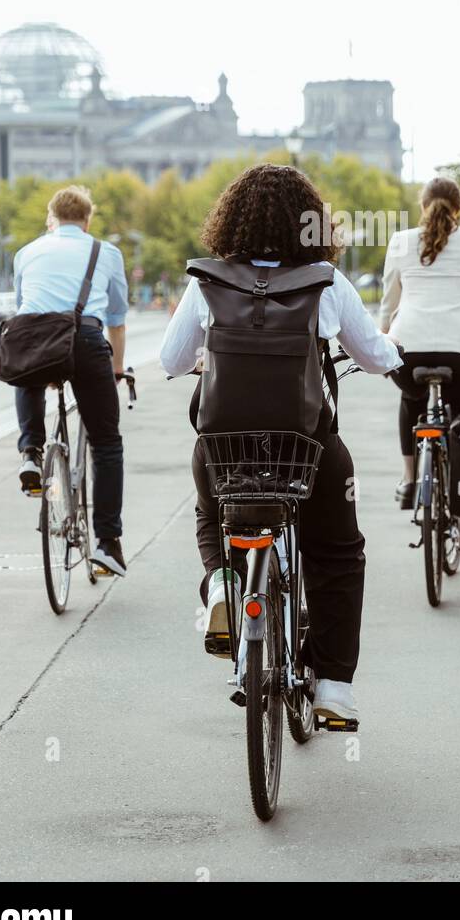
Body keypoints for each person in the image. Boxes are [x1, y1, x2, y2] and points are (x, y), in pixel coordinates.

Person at [159, 163, 402, 725]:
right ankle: (335, 688)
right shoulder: (325, 280)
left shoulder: (207, 281)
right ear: (311, 224)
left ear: (231, 220)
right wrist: (395, 353)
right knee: (338, 552)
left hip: (225, 448)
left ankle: (224, 581)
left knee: (210, 508)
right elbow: (374, 355)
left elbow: (171, 362)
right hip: (308, 448)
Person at [378, 176, 460, 564]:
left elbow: (389, 302)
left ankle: (409, 480)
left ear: (423, 207)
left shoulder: (402, 241)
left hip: (410, 350)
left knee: (410, 398)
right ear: (459, 208)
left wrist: (381, 338)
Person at [12, 185, 130, 577]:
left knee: (25, 356)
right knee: (107, 443)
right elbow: (116, 317)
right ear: (87, 220)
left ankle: (30, 451)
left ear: (51, 219)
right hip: (84, 339)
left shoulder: (26, 252)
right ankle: (107, 544)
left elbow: (25, 310)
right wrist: (116, 370)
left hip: (34, 337)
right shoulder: (105, 253)